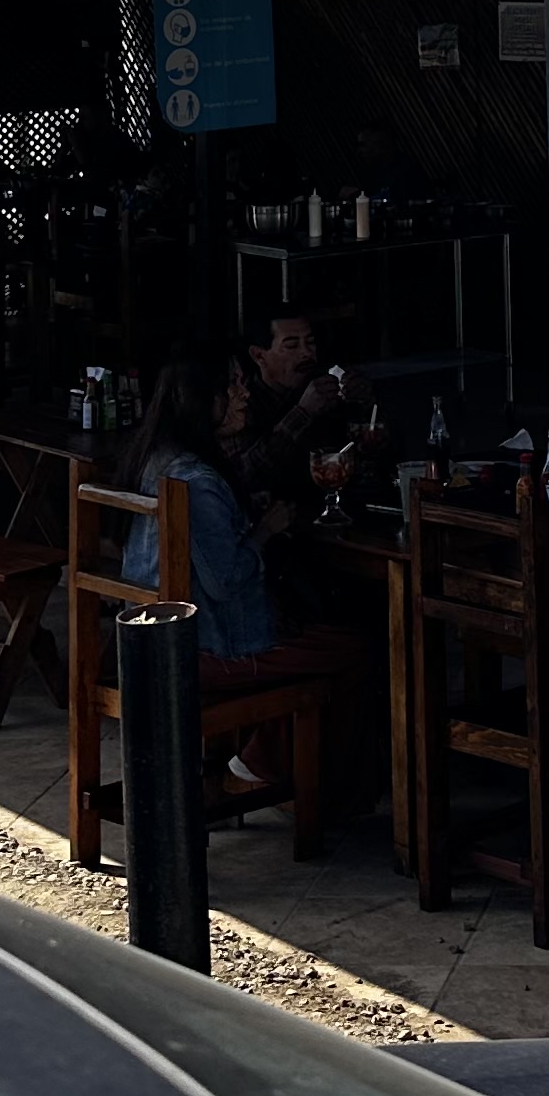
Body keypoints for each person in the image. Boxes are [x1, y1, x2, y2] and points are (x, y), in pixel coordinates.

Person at [119, 350, 367, 792]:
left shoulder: (156, 458)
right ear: (202, 399)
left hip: (150, 640)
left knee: (315, 632)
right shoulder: (196, 480)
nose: (243, 394)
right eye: (231, 386)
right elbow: (228, 580)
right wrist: (265, 531)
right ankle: (276, 772)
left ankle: (270, 763)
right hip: (206, 650)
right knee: (354, 649)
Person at [232, 309, 344, 514]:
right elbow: (246, 476)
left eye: (310, 343)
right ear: (259, 355)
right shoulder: (241, 405)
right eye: (292, 345)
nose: (306, 353)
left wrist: (365, 404)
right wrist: (302, 413)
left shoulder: (326, 392)